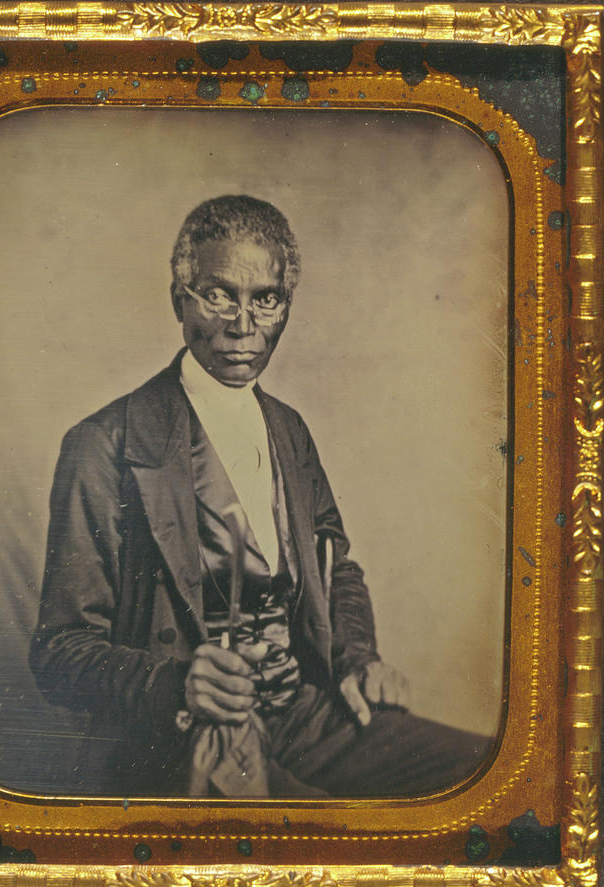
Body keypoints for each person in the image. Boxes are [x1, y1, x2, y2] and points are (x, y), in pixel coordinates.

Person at [30, 195, 490, 797]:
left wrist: (357, 659)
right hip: (184, 738)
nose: (243, 326)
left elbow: (336, 565)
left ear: (285, 308)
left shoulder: (288, 429)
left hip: (301, 712)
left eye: (265, 300)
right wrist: (175, 684)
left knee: (480, 782)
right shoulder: (104, 444)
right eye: (219, 295)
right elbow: (60, 653)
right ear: (180, 300)